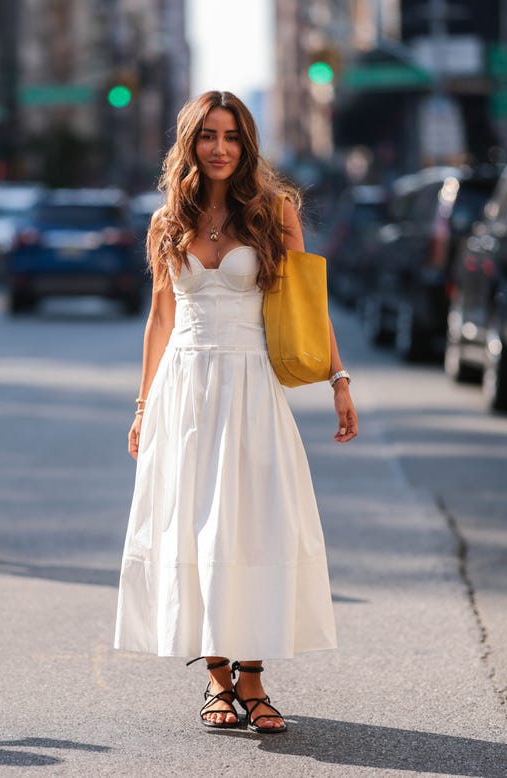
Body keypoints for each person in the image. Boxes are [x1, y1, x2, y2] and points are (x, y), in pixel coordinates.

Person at [113, 91, 358, 734]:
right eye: (206, 136)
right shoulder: (168, 219)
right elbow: (161, 318)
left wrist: (338, 378)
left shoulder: (274, 213)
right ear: (189, 144)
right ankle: (218, 677)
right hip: (184, 391)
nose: (218, 148)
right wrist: (142, 407)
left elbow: (310, 305)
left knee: (248, 528)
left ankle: (253, 676)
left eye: (230, 137)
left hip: (250, 387)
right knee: (193, 527)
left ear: (246, 146)